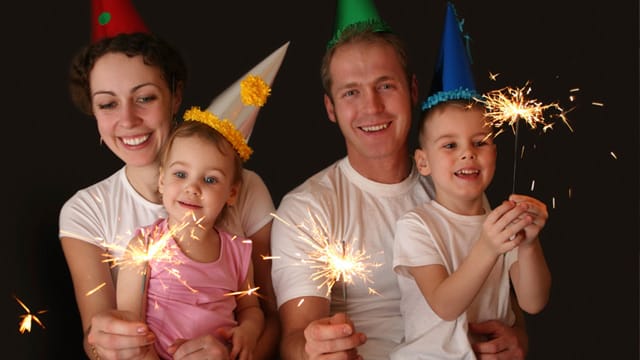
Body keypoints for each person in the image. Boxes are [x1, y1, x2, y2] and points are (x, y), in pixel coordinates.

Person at [270, 1, 530, 359]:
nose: (372, 107)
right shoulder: (307, 209)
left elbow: (503, 293)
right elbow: (295, 338)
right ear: (330, 108)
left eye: (385, 85)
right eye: (350, 92)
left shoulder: (457, 181)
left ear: (412, 89)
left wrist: (516, 336)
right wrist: (314, 348)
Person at [59, 4, 281, 358]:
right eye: (107, 104)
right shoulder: (86, 212)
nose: (128, 119)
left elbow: (270, 317)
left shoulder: (248, 190)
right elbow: (97, 342)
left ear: (175, 95)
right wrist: (113, 342)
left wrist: (240, 350)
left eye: (145, 97)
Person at [391, 99, 551, 359]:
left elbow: (533, 302)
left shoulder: (501, 222)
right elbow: (444, 305)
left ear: (495, 155)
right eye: (450, 145)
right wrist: (488, 248)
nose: (467, 153)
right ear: (423, 162)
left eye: (480, 142)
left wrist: (530, 244)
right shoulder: (416, 225)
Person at [117, 115, 265, 360]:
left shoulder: (238, 252)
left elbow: (251, 309)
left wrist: (249, 329)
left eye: (210, 180)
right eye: (180, 174)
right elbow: (130, 324)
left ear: (232, 193)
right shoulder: (144, 246)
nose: (193, 187)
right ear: (162, 181)